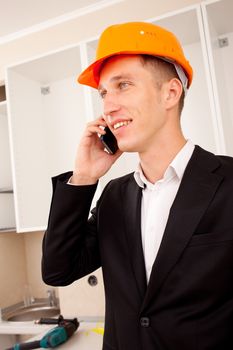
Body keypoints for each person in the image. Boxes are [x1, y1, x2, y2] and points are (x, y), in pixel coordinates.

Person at [42, 22, 233, 350]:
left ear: (170, 93)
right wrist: (85, 177)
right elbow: (58, 271)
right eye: (104, 92)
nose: (108, 105)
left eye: (123, 85)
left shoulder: (229, 181)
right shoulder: (114, 196)